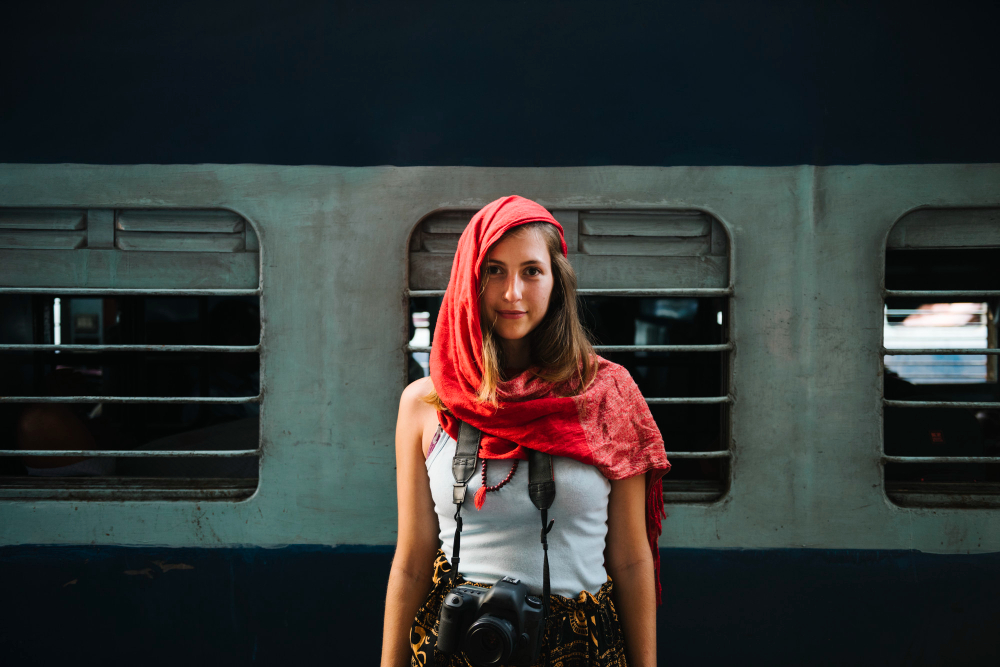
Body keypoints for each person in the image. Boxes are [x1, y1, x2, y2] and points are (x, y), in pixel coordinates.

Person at [381, 196, 670, 667]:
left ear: (557, 282)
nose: (512, 292)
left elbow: (632, 560)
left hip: (582, 650)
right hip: (458, 645)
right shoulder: (424, 403)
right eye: (494, 270)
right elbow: (413, 558)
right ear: (469, 281)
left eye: (531, 271)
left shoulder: (609, 394)